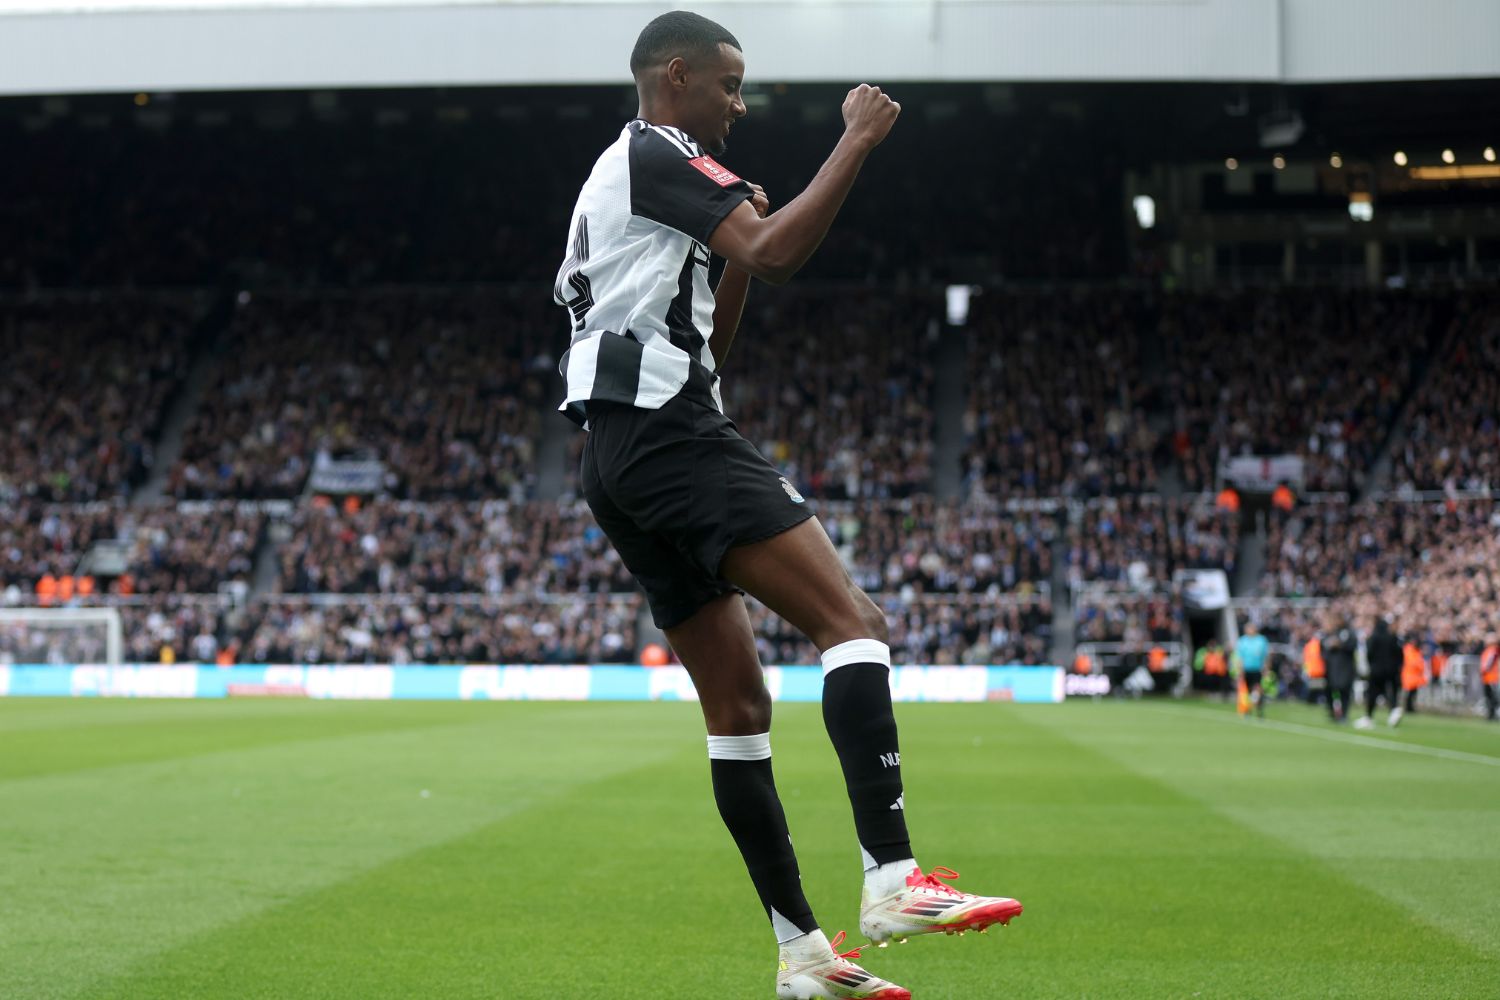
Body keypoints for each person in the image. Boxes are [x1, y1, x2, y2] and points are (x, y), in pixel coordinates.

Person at [552, 13, 1019, 999]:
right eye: (729, 81)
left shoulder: (620, 176)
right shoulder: (657, 151)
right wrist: (855, 140)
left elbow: (719, 324)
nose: (740, 101)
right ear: (675, 77)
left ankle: (803, 952)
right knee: (854, 622)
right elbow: (773, 249)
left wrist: (733, 254)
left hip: (614, 452)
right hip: (668, 431)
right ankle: (893, 876)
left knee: (739, 709)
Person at [1359, 616, 1403, 729]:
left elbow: (1369, 654)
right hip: (1391, 672)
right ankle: (1394, 711)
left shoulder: (1374, 637)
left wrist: (1372, 665)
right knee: (1391, 693)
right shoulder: (1392, 638)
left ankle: (1369, 717)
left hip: (1376, 671)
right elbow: (1399, 655)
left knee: (1372, 694)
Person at [1322, 616, 1357, 723]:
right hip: (1334, 669)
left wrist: (1340, 645)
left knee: (1344, 691)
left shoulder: (1349, 633)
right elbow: (1325, 646)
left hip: (1346, 669)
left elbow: (1352, 646)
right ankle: (1334, 712)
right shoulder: (1333, 633)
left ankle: (1344, 714)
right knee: (1334, 691)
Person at [1233, 622, 1269, 718]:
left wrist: (1266, 669)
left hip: (1257, 669)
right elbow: (1239, 657)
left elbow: (1265, 656)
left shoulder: (1261, 640)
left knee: (1258, 690)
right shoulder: (1242, 641)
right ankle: (1247, 710)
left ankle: (1259, 710)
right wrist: (1240, 671)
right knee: (1247, 692)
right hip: (1246, 670)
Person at [1481, 632, 1498, 722]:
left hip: (1491, 677)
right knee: (1489, 697)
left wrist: (1484, 669)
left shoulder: (1493, 650)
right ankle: (1490, 714)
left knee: (1492, 697)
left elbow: (1489, 663)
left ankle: (1492, 715)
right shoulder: (1488, 649)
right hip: (1487, 678)